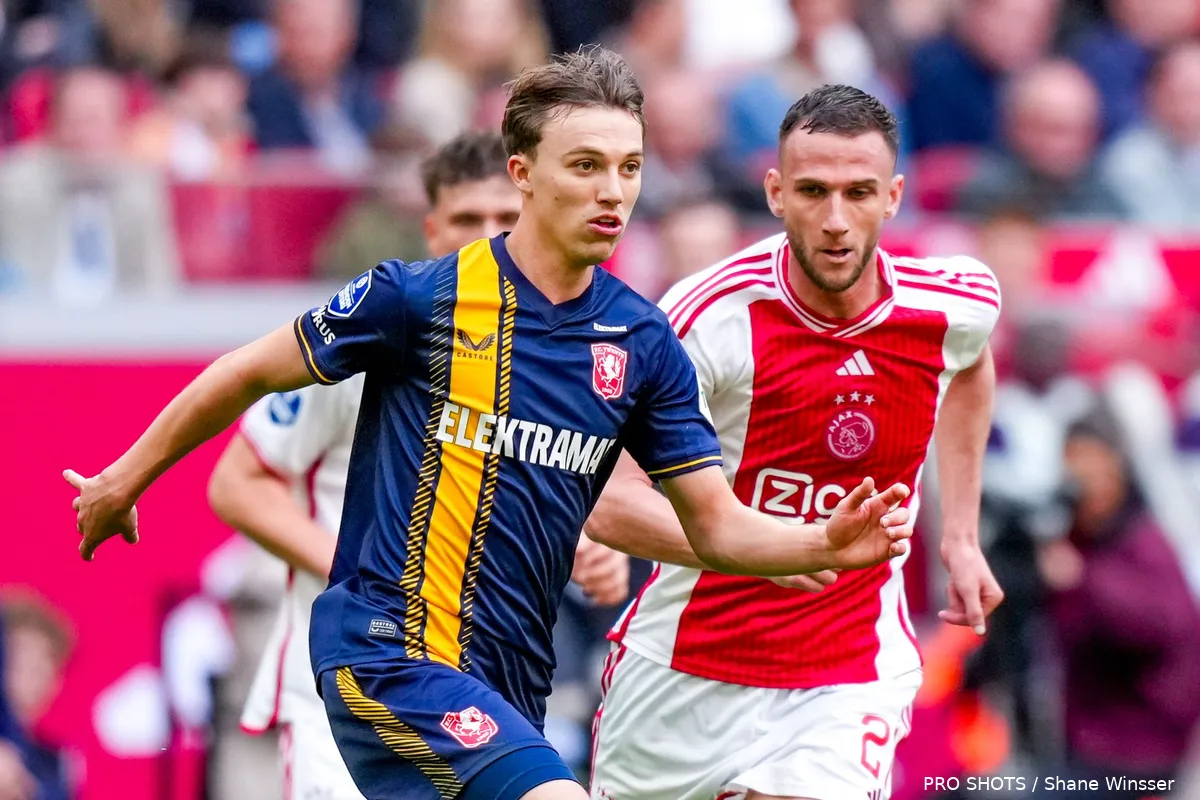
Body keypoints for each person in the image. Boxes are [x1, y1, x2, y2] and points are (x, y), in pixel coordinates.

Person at [65, 49, 915, 800]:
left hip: (510, 685)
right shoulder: (419, 298)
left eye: (628, 167)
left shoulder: (642, 342)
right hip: (387, 655)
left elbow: (714, 524)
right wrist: (122, 478)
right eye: (585, 165)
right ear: (523, 173)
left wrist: (819, 544)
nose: (611, 191)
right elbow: (247, 370)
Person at [586, 84, 1005, 800]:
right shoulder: (705, 319)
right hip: (688, 668)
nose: (836, 221)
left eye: (858, 192)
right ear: (776, 193)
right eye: (813, 191)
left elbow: (969, 367)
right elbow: (608, 504)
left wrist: (961, 535)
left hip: (847, 674)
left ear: (894, 195)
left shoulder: (953, 303)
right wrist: (762, 547)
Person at [206, 129, 627, 800]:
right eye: (466, 219)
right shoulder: (383, 334)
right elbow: (237, 482)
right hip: (348, 681)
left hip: (478, 692)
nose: (483, 235)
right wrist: (369, 576)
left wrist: (584, 546)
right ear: (432, 227)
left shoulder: (548, 358)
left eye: (503, 219)